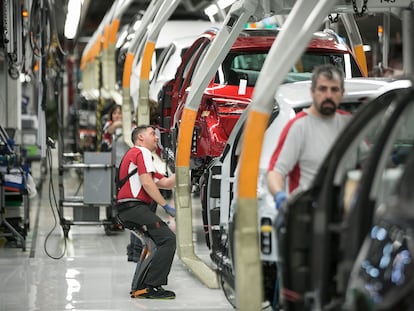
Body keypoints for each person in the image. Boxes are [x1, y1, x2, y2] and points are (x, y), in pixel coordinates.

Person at [267, 64, 350, 210]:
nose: (328, 95)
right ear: (312, 92)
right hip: (307, 213)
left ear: (342, 93)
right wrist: (280, 196)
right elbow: (276, 171)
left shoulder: (349, 124)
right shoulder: (299, 126)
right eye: (323, 89)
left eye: (334, 89)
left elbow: (369, 162)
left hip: (345, 212)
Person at [116, 125, 177, 299]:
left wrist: (186, 168)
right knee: (167, 239)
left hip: (127, 209)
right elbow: (147, 183)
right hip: (134, 208)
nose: (157, 138)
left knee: (153, 243)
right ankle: (152, 286)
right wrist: (166, 206)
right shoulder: (140, 152)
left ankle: (140, 287)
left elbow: (166, 183)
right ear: (140, 138)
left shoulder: (139, 157)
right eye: (152, 134)